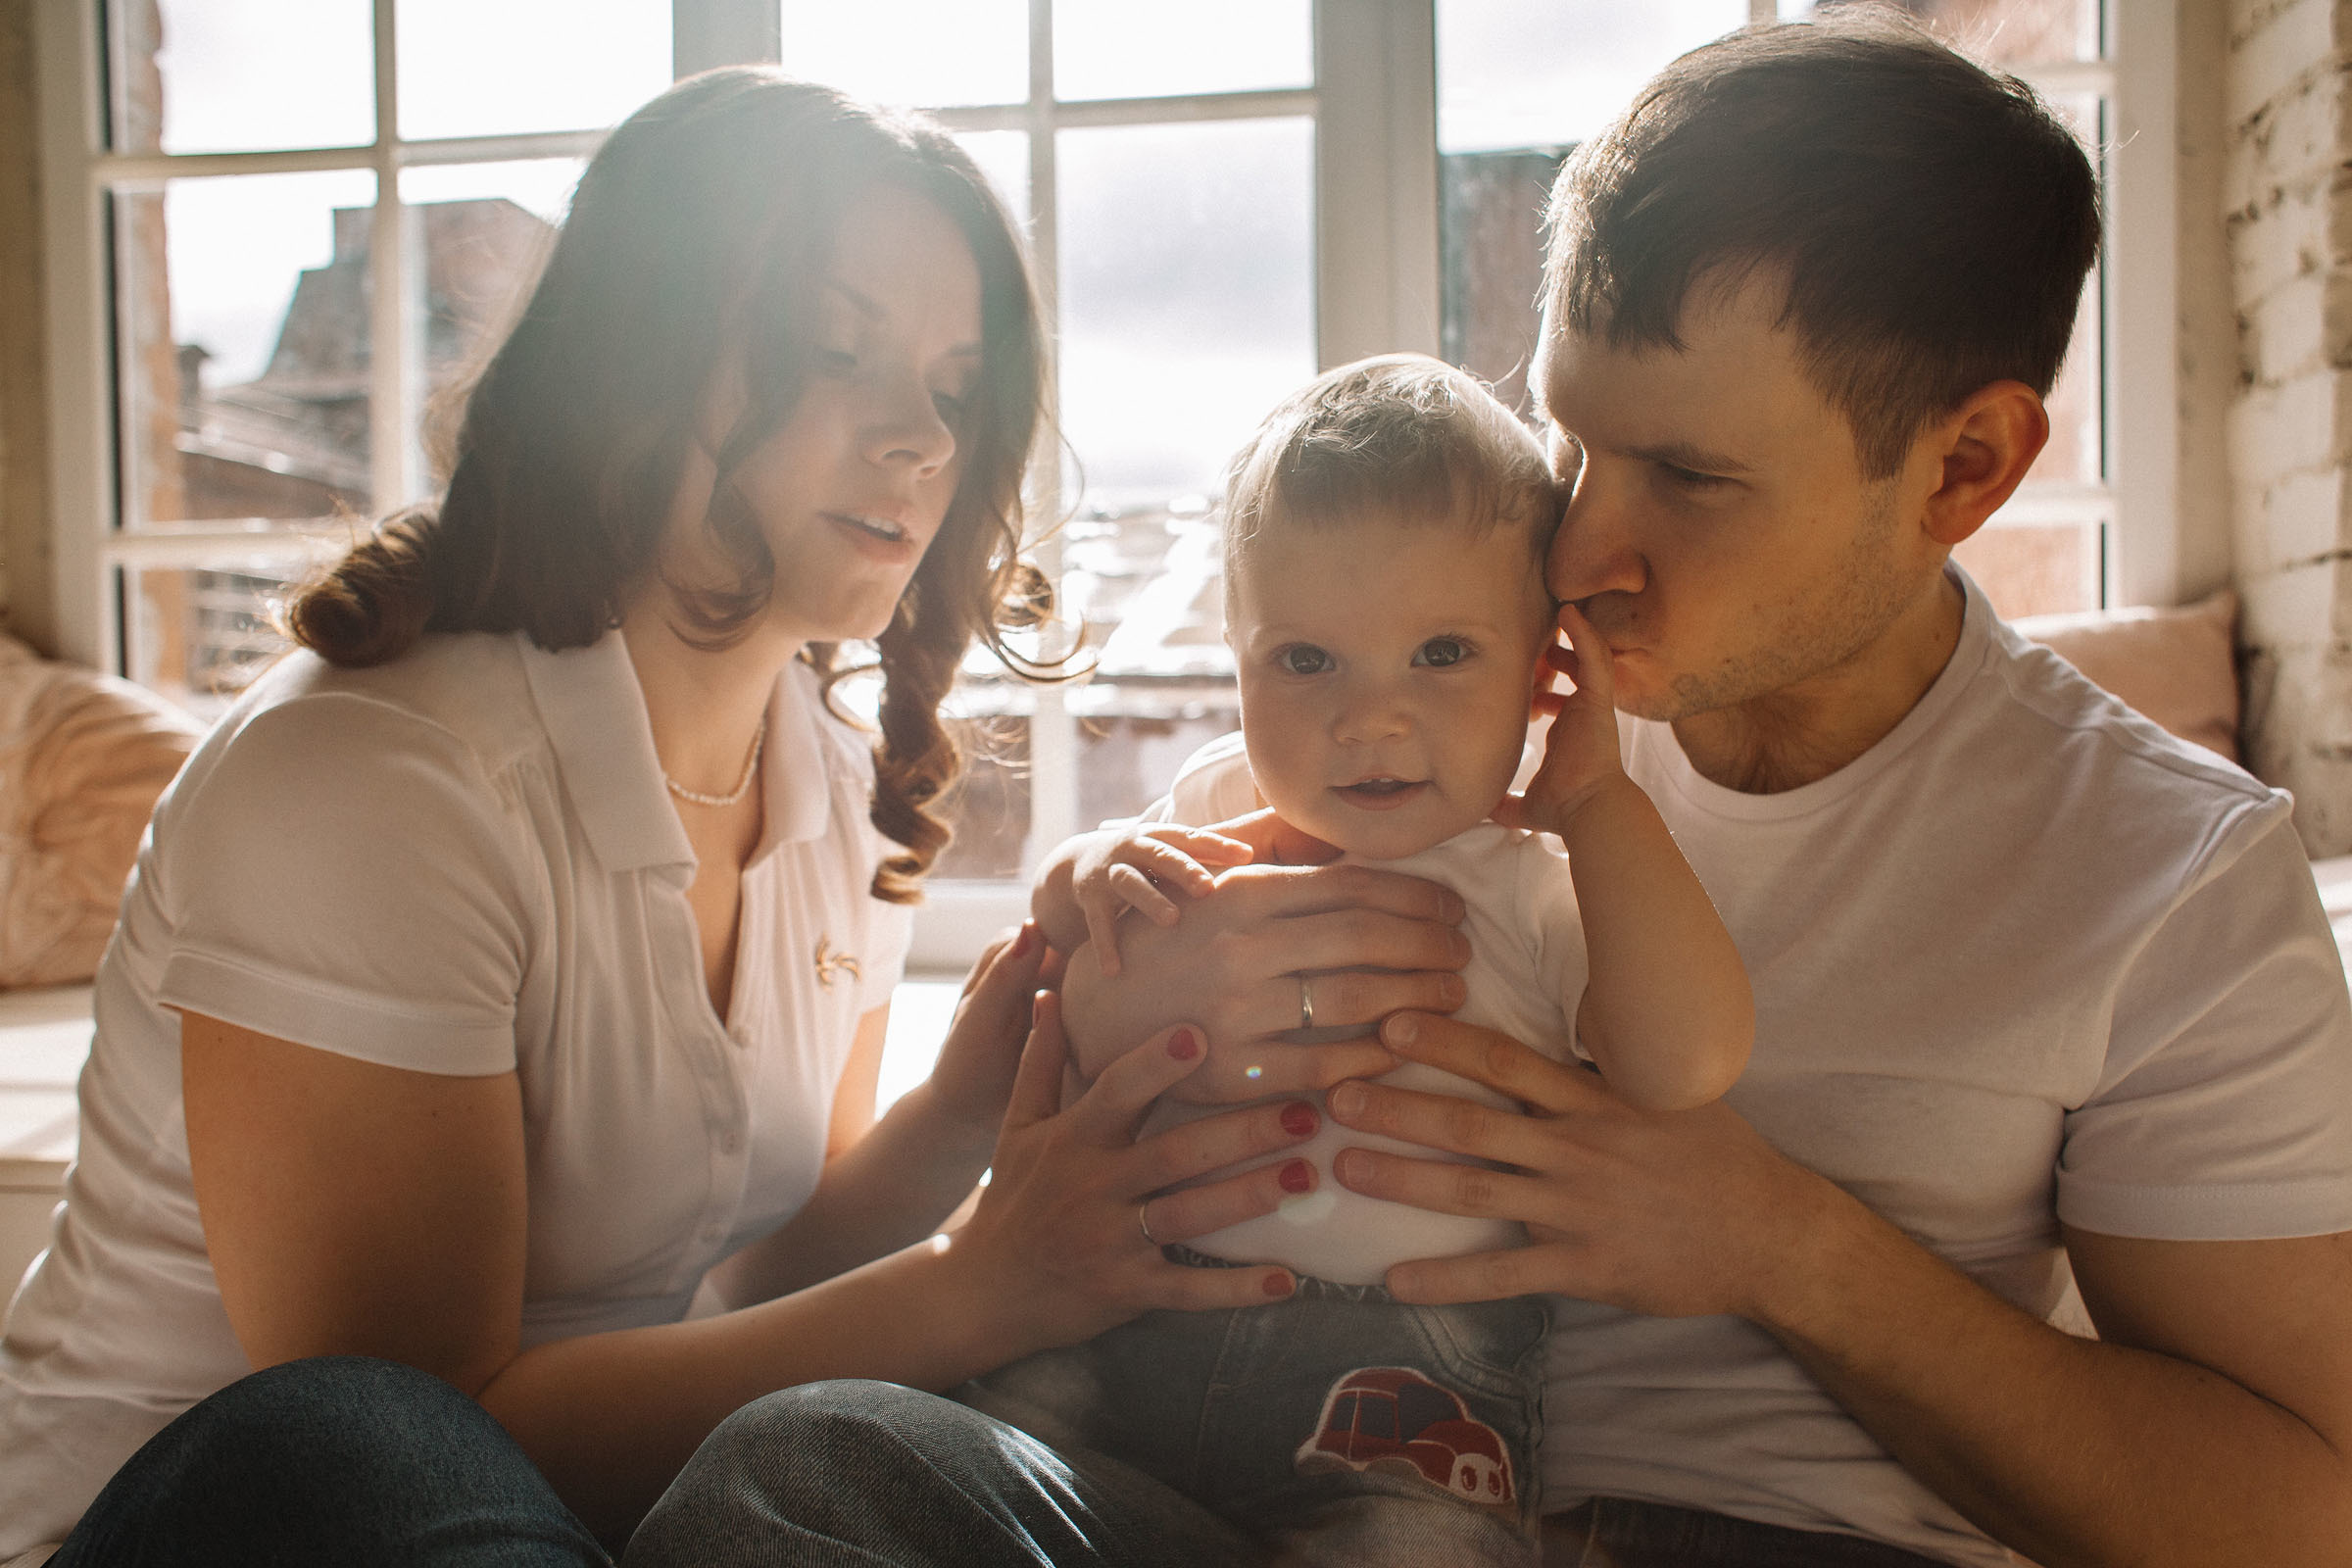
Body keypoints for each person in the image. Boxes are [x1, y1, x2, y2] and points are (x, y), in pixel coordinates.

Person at [622, 17, 2352, 1568]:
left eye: (1687, 473)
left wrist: (1786, 1248)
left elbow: (2294, 1518)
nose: (1584, 552)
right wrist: (1094, 960)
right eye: (1572, 441)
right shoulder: (1437, 693)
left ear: (1964, 467)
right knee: (801, 1479)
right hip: (1238, 1484)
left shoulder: (2167, 873)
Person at [0, 69, 1375, 1565]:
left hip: (596, 1521)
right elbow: (430, 1430)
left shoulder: (839, 788)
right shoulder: (369, 782)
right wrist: (979, 1280)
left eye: (953, 388)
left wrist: (962, 1118)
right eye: (830, 350)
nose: (919, 436)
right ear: (634, 363)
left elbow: (735, 1298)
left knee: (864, 1461)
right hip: (221, 1522)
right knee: (376, 1435)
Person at [968, 355, 1749, 1564]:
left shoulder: (1537, 880)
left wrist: (1597, 800)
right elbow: (1073, 915)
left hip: (1408, 1385)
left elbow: (1686, 1060)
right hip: (1125, 1321)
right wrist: (1083, 876)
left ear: (1546, 670)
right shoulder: (1221, 798)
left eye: (1441, 654)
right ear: (1235, 659)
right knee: (916, 1461)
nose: (1369, 719)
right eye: (1305, 660)